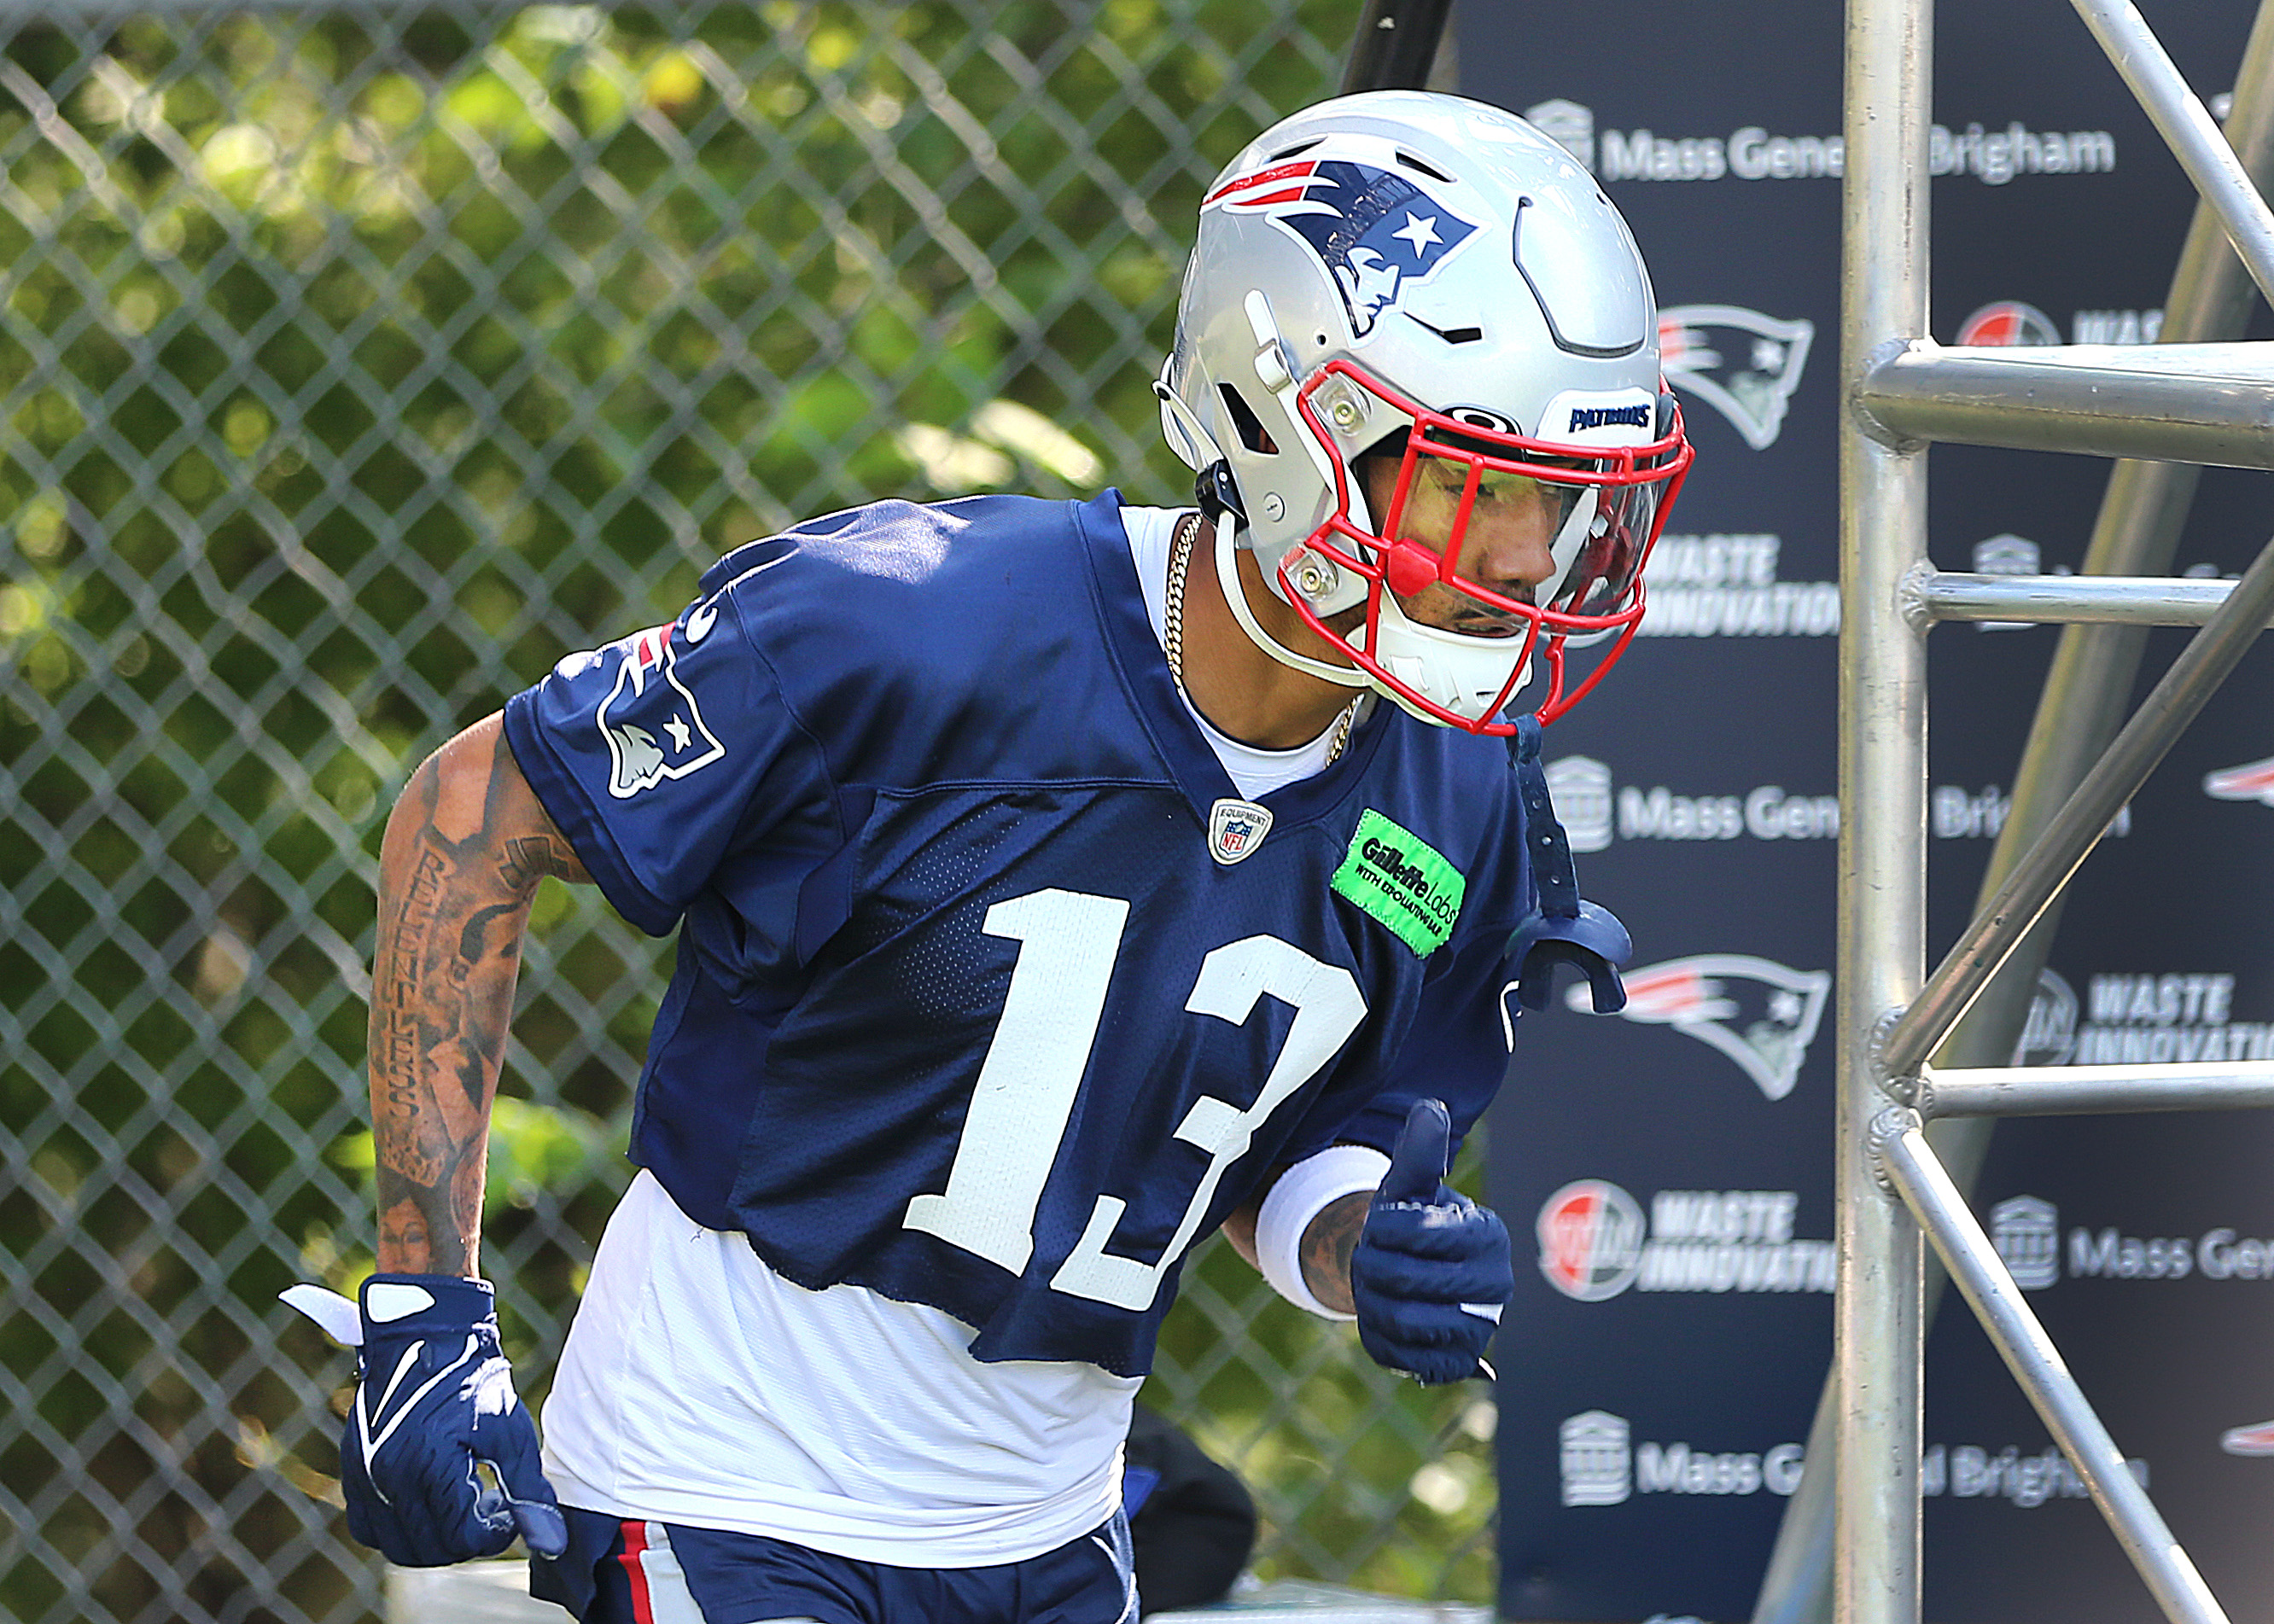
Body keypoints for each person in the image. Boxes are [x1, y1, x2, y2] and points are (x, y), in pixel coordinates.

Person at [287, 89, 1691, 1624]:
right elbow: (468, 814)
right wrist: (429, 1302)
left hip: (1056, 1532)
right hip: (723, 1493)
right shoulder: (915, 627)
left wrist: (1367, 1249)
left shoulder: (1457, 788)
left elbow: (1288, 1136)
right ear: (1296, 416)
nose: (1517, 564)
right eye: (1482, 482)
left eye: (1560, 507)